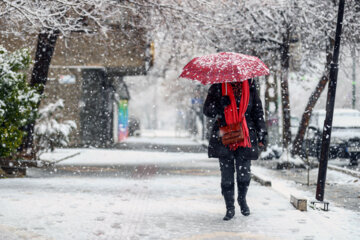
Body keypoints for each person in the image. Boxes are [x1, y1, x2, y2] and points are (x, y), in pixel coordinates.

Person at [203, 79, 267, 221]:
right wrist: (219, 105)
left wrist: (262, 132)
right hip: (224, 135)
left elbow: (257, 111)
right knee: (227, 176)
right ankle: (230, 207)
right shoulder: (218, 86)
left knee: (244, 174)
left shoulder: (249, 86)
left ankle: (242, 199)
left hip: (245, 136)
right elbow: (207, 110)